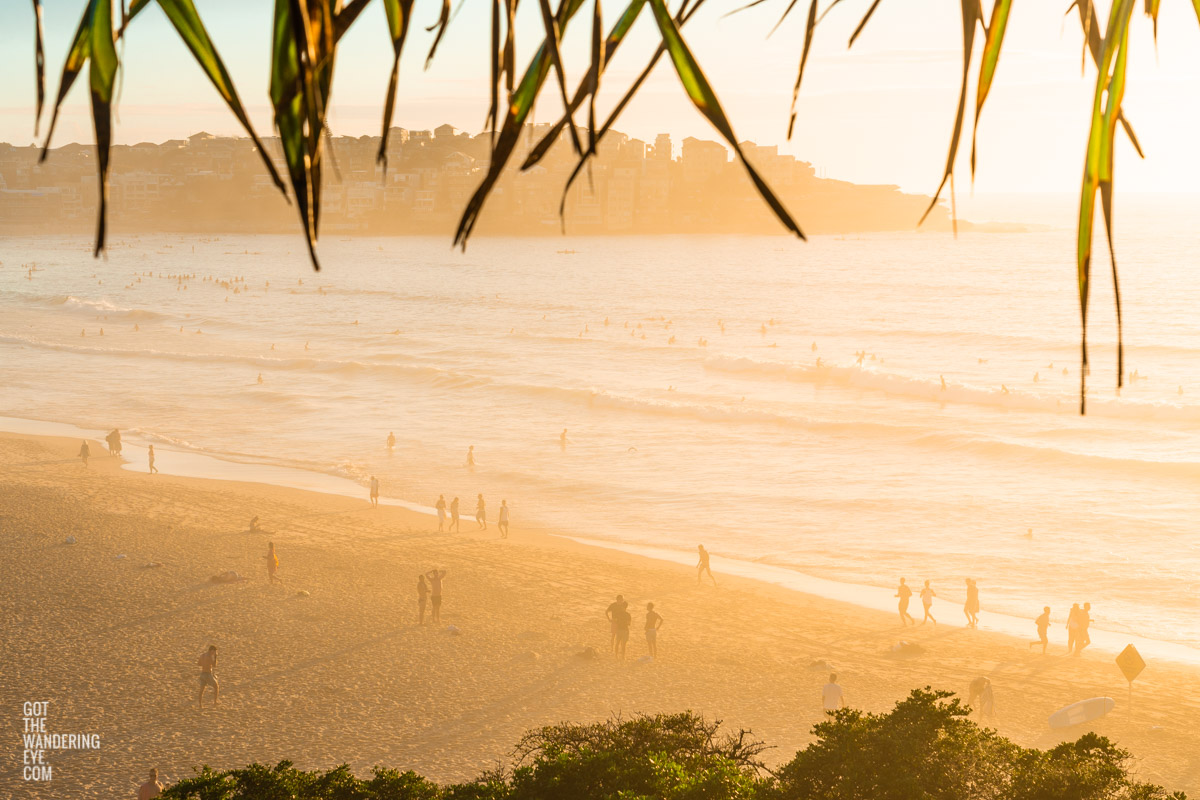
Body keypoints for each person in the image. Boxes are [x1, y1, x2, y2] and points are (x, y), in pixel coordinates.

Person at [197, 645, 219, 709]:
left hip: (202, 674)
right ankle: (215, 702)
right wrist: (215, 657)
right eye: (214, 651)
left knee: (201, 690)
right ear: (212, 650)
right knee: (216, 686)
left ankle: (200, 705)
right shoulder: (209, 656)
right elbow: (214, 665)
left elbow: (199, 664)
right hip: (208, 674)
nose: (214, 653)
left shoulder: (202, 655)